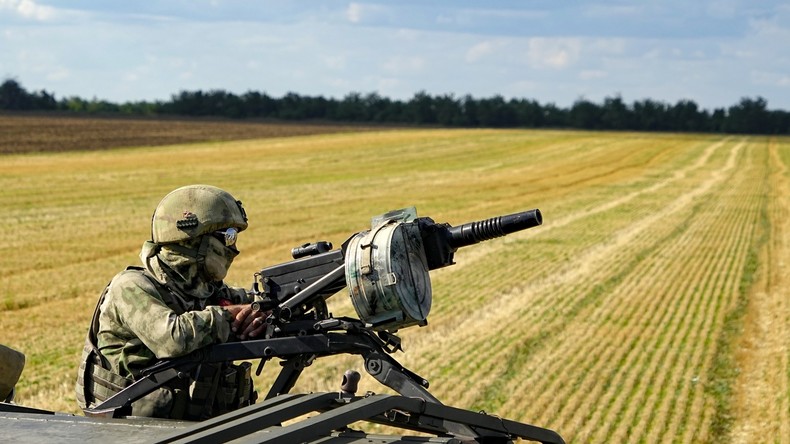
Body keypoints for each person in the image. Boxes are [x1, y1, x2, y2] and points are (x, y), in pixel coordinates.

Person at [76, 185, 267, 419]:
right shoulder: (130, 286)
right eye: (228, 236)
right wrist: (229, 317)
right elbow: (172, 338)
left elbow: (251, 302)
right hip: (130, 428)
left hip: (187, 425)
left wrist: (264, 310)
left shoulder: (201, 287)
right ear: (192, 240)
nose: (233, 248)